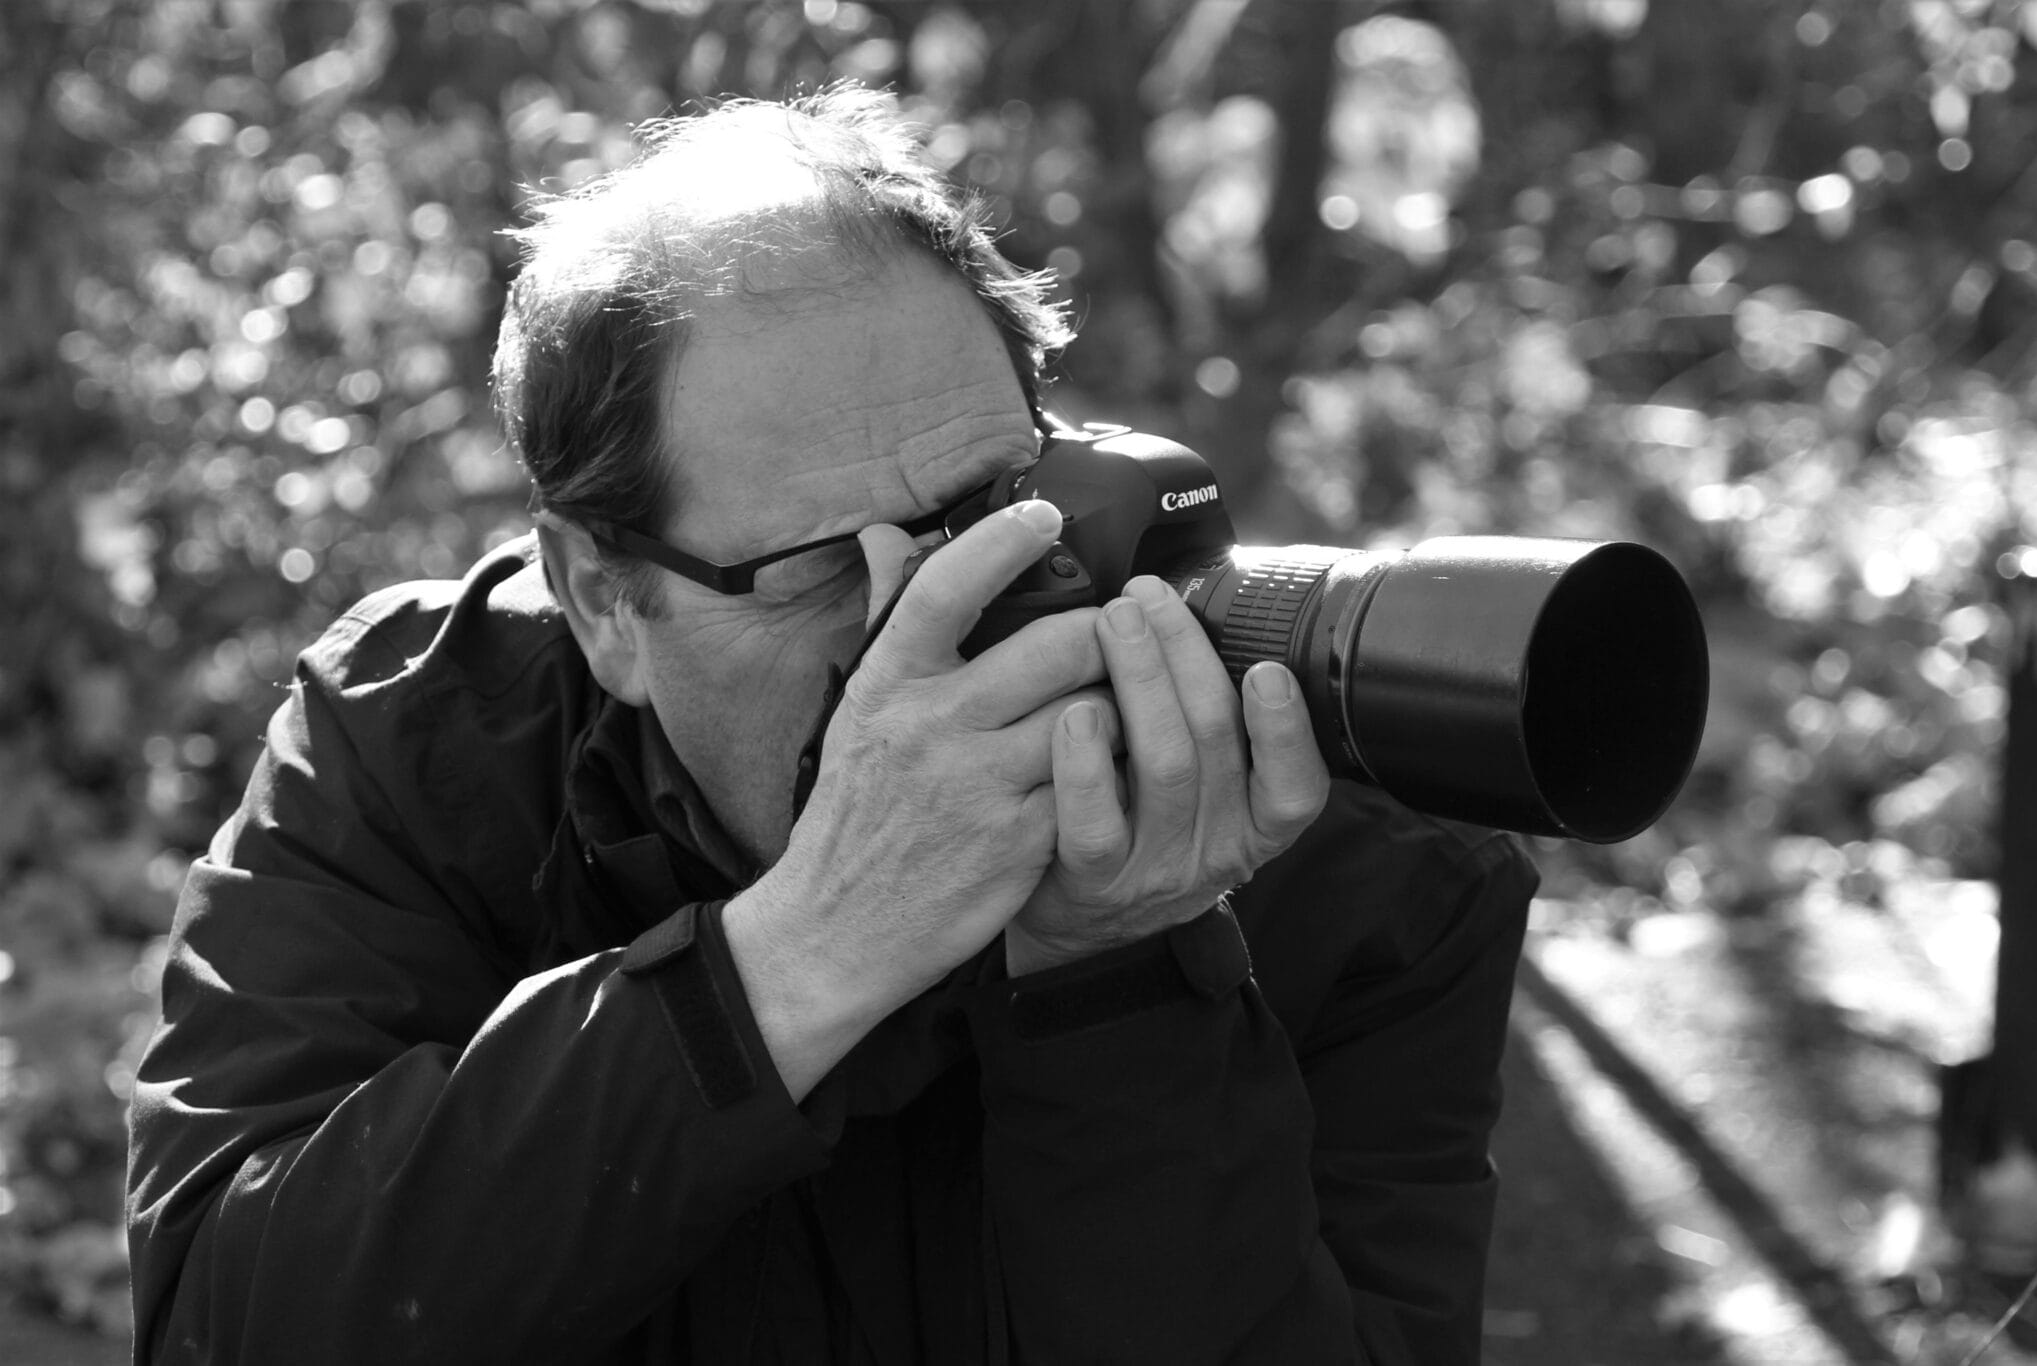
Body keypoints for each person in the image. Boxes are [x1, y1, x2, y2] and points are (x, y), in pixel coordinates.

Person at [126, 85, 1535, 1365]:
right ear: (604, 600)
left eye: (982, 511)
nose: (929, 620)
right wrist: (792, 964)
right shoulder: (418, 745)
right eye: (811, 570)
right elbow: (226, 1324)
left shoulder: (1349, 846)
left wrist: (1119, 985)